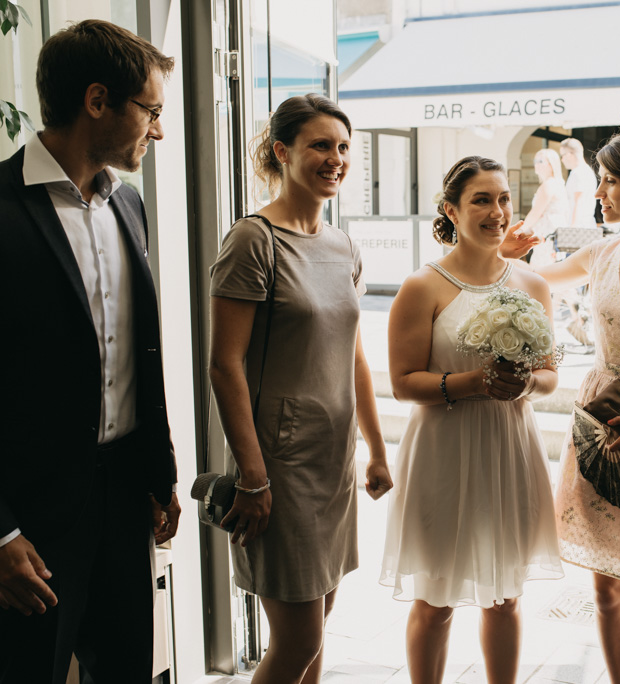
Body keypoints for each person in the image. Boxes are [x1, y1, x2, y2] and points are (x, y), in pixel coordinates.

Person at [0, 20, 180, 683]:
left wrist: (160, 472)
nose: (158, 130)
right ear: (97, 100)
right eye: (151, 111)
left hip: (125, 499)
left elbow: (136, 355)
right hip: (26, 520)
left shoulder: (128, 207)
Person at [209, 93, 393, 684]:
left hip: (332, 460)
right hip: (278, 467)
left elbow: (353, 351)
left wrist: (377, 448)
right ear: (281, 152)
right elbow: (224, 365)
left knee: (318, 629)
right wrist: (253, 475)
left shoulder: (342, 246)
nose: (335, 157)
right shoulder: (254, 240)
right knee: (298, 642)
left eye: (342, 147)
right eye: (320, 145)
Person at [503, 132, 620, 684]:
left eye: (610, 182)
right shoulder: (602, 250)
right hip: (599, 425)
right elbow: (533, 281)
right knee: (606, 590)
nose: (599, 193)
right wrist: (500, 253)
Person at [381, 156, 563, 684]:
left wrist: (525, 383)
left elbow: (550, 374)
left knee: (505, 598)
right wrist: (474, 383)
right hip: (444, 449)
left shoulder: (532, 284)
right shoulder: (424, 286)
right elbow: (402, 382)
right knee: (435, 602)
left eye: (503, 198)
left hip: (509, 446)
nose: (497, 211)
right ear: (451, 211)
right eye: (481, 200)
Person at [520, 148, 570, 265]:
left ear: (551, 164)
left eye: (541, 161)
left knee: (541, 267)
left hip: (547, 234)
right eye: (535, 161)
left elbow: (535, 213)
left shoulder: (549, 185)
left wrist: (520, 231)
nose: (536, 164)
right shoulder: (557, 183)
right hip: (553, 233)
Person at [560, 137, 598, 227]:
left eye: (562, 155)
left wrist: (572, 227)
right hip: (584, 224)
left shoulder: (579, 173)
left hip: (579, 226)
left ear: (569, 155)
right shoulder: (584, 171)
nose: (562, 159)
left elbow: (579, 201)